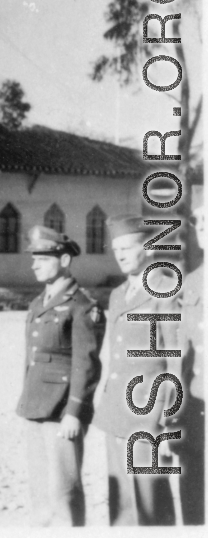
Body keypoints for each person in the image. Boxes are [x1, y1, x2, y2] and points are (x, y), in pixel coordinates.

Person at [16, 225, 105, 526]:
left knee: (63, 493)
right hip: (35, 406)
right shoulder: (38, 303)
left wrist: (74, 413)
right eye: (34, 258)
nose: (34, 264)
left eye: (42, 258)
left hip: (61, 411)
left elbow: (87, 364)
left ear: (64, 260)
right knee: (40, 495)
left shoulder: (82, 307)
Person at [92, 214, 177, 526]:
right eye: (117, 249)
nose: (121, 255)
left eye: (128, 247)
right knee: (122, 506)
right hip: (116, 410)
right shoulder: (117, 295)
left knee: (151, 501)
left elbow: (176, 358)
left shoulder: (165, 291)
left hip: (148, 415)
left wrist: (168, 417)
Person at [173, 189, 204, 525]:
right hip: (195, 410)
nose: (204, 226)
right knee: (193, 500)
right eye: (201, 221)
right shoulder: (190, 285)